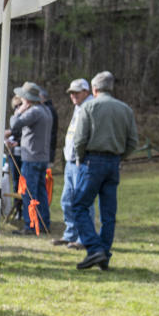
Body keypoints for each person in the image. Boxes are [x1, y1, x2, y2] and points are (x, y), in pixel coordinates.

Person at [71, 71, 138, 270]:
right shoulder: (125, 109)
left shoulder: (89, 106)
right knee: (108, 213)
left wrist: (79, 158)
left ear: (94, 89)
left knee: (79, 205)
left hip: (93, 162)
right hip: (113, 163)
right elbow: (133, 141)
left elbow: (80, 139)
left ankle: (94, 248)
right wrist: (119, 156)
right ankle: (104, 255)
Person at [54, 78, 94, 249]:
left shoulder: (91, 107)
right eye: (71, 93)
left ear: (86, 91)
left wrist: (82, 156)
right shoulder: (78, 107)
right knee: (67, 199)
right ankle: (71, 234)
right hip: (71, 161)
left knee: (83, 200)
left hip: (82, 161)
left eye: (77, 92)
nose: (73, 95)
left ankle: (84, 238)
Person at [8, 81, 53, 235]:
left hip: (31, 158)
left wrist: (18, 111)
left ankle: (31, 225)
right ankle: (44, 222)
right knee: (40, 193)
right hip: (42, 158)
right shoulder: (46, 110)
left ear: (27, 99)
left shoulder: (33, 112)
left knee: (29, 193)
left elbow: (15, 125)